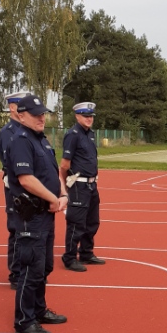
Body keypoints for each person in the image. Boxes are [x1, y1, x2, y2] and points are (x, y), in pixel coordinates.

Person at [4, 94, 68, 333]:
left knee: (44, 267)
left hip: (47, 213)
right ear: (21, 115)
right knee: (30, 269)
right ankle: (24, 321)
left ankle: (39, 309)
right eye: (36, 114)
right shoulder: (20, 140)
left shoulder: (41, 140)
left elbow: (54, 173)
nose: (42, 117)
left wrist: (62, 193)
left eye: (43, 113)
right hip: (31, 216)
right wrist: (53, 199)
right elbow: (26, 179)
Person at [60, 102, 105, 272]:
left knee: (92, 222)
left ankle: (86, 252)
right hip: (79, 185)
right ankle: (70, 257)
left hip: (92, 184)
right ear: (77, 116)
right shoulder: (73, 135)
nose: (89, 119)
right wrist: (64, 187)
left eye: (91, 116)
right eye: (86, 116)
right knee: (76, 223)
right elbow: (64, 165)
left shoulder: (90, 134)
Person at [0, 90, 29, 288]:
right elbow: (13, 163)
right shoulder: (8, 133)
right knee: (17, 230)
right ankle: (16, 274)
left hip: (29, 186)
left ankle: (27, 270)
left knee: (28, 230)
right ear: (12, 107)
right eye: (21, 105)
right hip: (16, 188)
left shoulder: (28, 130)